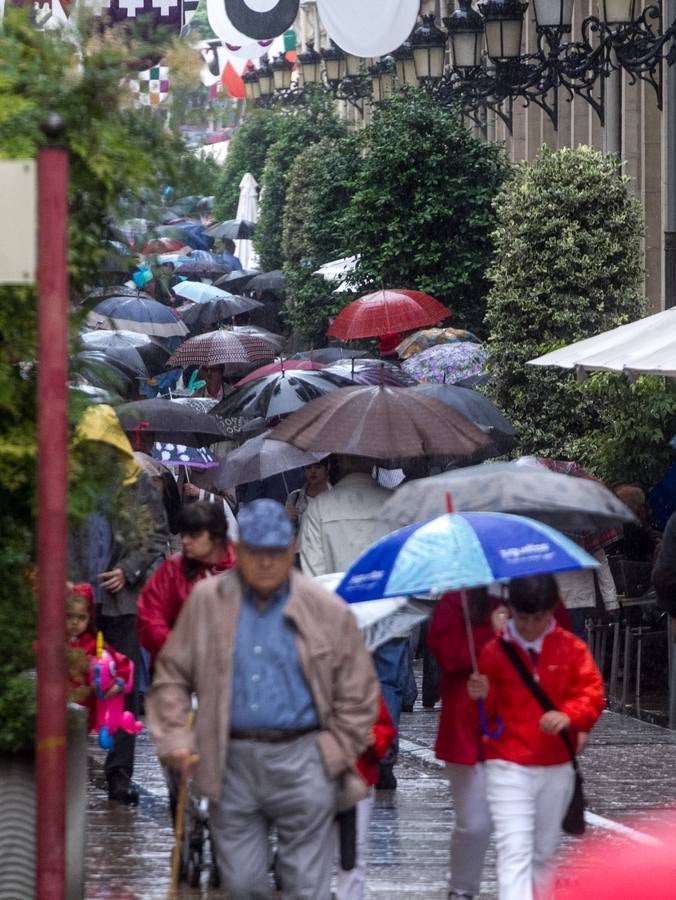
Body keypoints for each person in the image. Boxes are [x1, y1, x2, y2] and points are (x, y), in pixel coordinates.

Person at [147, 499, 380, 899]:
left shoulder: (325, 609)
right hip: (230, 759)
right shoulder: (208, 600)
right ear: (239, 552)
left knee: (307, 887)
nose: (267, 562)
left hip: (305, 757)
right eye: (257, 552)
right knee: (241, 884)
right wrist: (176, 739)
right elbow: (171, 675)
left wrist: (334, 750)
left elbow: (360, 692)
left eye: (276, 551)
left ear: (291, 549)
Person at [468, 574, 604, 900]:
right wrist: (483, 695)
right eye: (524, 618)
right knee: (514, 849)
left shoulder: (571, 649)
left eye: (538, 618)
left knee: (543, 852)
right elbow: (487, 720)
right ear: (511, 609)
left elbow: (592, 693)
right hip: (507, 764)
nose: (530, 626)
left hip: (555, 763)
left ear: (551, 612)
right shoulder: (493, 651)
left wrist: (569, 715)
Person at [69, 404, 169, 804]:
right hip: (76, 603)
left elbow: (155, 534)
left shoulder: (137, 484)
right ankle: (65, 764)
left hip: (121, 603)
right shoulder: (70, 484)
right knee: (70, 683)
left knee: (122, 687)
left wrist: (128, 570)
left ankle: (119, 773)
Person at [298, 455, 403, 789]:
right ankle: (383, 754)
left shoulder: (319, 509)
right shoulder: (395, 505)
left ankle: (352, 751)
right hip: (389, 610)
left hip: (339, 615)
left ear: (338, 465)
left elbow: (312, 570)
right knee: (387, 682)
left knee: (343, 685)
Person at [428, 588, 506, 900]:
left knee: (521, 828)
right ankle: (461, 888)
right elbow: (447, 651)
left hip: (521, 730)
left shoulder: (534, 590)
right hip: (468, 727)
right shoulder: (457, 599)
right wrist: (492, 633)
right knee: (474, 823)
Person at [137, 502, 236, 662]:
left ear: (216, 536)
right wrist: (177, 650)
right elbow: (150, 615)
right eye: (184, 534)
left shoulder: (245, 567)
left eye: (194, 535)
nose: (185, 541)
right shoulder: (173, 569)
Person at [335, 695, 395, 900]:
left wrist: (376, 736)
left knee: (354, 851)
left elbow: (384, 724)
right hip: (312, 774)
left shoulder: (359, 676)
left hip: (358, 774)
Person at [66, 583, 132, 730]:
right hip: (59, 710)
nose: (75, 622)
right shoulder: (56, 642)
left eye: (81, 618)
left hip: (85, 715)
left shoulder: (95, 645)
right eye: (69, 616)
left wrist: (118, 683)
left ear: (89, 619)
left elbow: (122, 663)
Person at [285, 459, 331, 532]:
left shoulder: (336, 497)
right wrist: (289, 520)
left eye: (317, 467)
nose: (313, 471)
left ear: (327, 468)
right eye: (308, 467)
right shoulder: (294, 497)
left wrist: (300, 518)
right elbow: (287, 532)